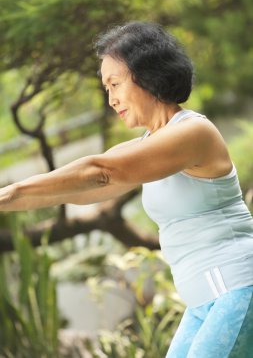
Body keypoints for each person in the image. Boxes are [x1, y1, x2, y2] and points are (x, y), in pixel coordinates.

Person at [1, 21, 253, 357]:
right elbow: (85, 188)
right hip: (203, 301)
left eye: (115, 84)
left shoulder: (194, 132)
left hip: (237, 287)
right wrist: (10, 198)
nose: (111, 99)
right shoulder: (149, 146)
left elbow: (101, 172)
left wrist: (9, 192)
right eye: (106, 89)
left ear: (148, 75)